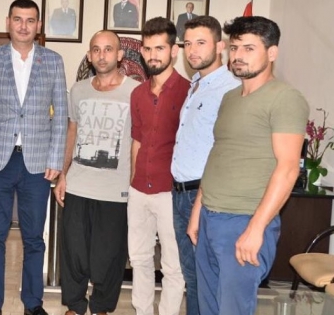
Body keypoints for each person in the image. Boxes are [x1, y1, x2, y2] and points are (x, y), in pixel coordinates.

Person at [188, 16, 309, 315]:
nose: (238, 56)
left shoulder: (285, 98)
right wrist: (198, 211)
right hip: (210, 218)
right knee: (207, 308)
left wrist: (256, 229)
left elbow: (288, 168)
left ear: (272, 52)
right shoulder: (230, 98)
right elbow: (219, 154)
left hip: (245, 220)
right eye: (234, 48)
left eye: (249, 48)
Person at [0, 0, 68, 315]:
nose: (24, 26)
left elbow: (61, 114)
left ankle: (33, 304)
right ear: (8, 22)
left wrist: (56, 160)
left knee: (34, 238)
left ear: (38, 25)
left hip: (37, 163)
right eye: (18, 19)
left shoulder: (53, 61)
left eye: (30, 20)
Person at [53, 30, 138, 315]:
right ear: (89, 55)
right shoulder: (78, 90)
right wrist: (63, 175)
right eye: (96, 50)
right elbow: (72, 132)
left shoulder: (135, 92)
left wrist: (135, 184)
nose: (102, 55)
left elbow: (138, 142)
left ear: (119, 55)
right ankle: (75, 305)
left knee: (109, 255)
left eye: (108, 49)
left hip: (116, 190)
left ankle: (101, 306)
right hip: (78, 185)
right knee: (74, 251)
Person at [170, 16, 240, 315]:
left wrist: (199, 203)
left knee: (207, 279)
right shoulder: (197, 85)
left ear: (220, 46)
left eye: (201, 43)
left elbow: (222, 151)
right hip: (180, 193)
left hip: (203, 196)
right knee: (193, 277)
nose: (192, 50)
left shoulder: (230, 89)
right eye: (188, 44)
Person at [128, 17, 189, 315]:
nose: (153, 55)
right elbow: (136, 141)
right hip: (139, 189)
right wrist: (132, 182)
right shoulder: (137, 93)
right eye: (148, 48)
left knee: (173, 265)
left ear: (174, 50)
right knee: (139, 258)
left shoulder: (189, 92)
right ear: (141, 50)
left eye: (160, 48)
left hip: (171, 192)